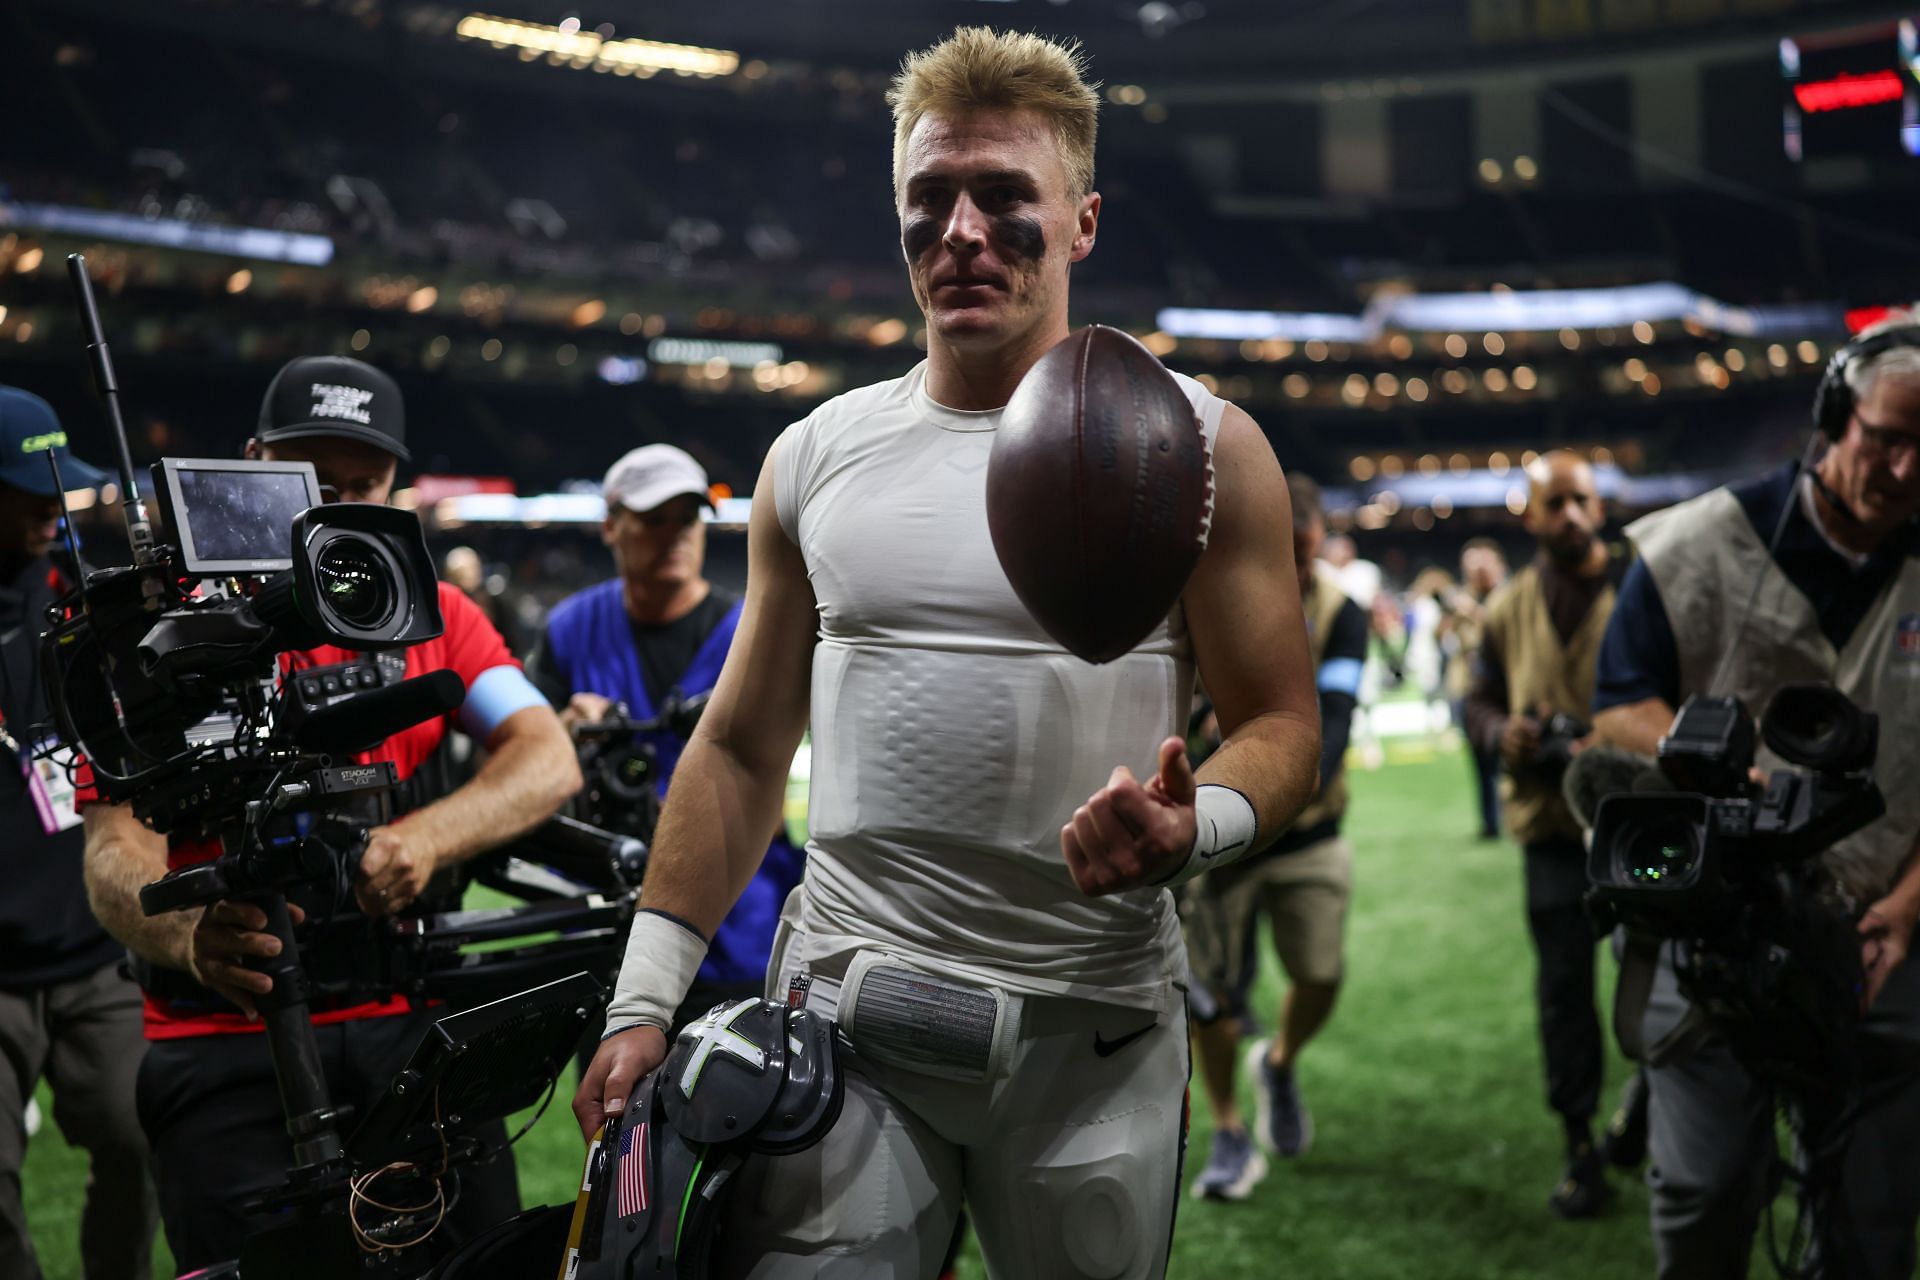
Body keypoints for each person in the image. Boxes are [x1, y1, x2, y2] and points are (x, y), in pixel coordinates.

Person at [573, 27, 1320, 1279]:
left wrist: (1204, 828)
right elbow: (745, 744)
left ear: (1083, 221)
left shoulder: (1203, 447)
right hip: (849, 1018)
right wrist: (648, 996)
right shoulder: (812, 455)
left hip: (1094, 1031)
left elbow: (1284, 724)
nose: (961, 228)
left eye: (1004, 197)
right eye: (930, 198)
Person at [79, 355, 582, 1271]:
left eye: (365, 486)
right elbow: (113, 848)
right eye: (309, 481)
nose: (337, 508)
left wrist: (428, 834)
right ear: (251, 464)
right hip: (223, 1038)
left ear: (399, 488)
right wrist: (189, 929)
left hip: (409, 1022)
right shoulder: (164, 632)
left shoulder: (438, 612)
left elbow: (546, 758)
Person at [1592, 317, 1920, 1278]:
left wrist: (1904, 910)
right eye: (1886, 436)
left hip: (1887, 928)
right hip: (1714, 923)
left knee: (1874, 1216)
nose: (1904, 469)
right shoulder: (1697, 544)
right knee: (1703, 1197)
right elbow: (1617, 711)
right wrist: (1718, 764)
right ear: (1833, 419)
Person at [525, 444, 805, 1030]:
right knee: (613, 1115)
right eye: (654, 520)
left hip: (732, 927)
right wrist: (560, 735)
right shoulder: (570, 628)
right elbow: (511, 767)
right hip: (603, 924)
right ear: (611, 526)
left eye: (688, 519)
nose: (676, 535)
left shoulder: (752, 630)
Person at [0, 387, 157, 1280]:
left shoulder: (77, 604)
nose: (48, 510)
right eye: (25, 490)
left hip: (89, 952)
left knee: (140, 1141)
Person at [1184, 473, 1367, 1200]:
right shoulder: (1209, 593)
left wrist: (1272, 758)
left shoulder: (1342, 613)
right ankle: (1230, 1131)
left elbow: (1339, 721)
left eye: (1304, 551)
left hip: (1311, 830)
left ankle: (1280, 1061)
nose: (1292, 567)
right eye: (1281, 549)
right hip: (1220, 837)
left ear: (1319, 541)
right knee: (1215, 996)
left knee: (1320, 974)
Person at [1463, 450, 1633, 1218]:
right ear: (1528, 515)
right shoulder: (1507, 607)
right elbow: (1479, 700)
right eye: (1553, 503)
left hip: (1640, 822)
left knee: (1666, 983)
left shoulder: (1643, 586)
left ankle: (1650, 1110)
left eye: (1581, 501)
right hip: (1551, 828)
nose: (1569, 514)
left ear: (1600, 509)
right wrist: (1502, 733)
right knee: (1564, 994)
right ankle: (1579, 1144)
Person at [1441, 538, 1507, 839]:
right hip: (1468, 691)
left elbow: (1500, 637)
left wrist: (1473, 614)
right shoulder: (1461, 600)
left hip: (1502, 691)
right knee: (1480, 762)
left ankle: (1511, 818)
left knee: (1507, 757)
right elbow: (1447, 641)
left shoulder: (1507, 599)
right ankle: (1490, 823)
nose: (1476, 571)